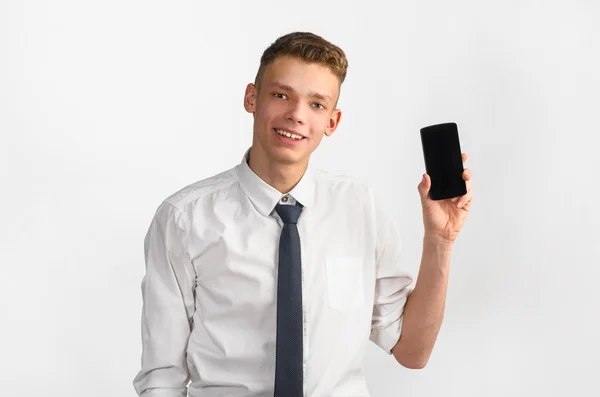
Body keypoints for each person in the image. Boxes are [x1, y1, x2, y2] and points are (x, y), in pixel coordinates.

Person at [132, 31, 473, 397]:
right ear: (252, 97)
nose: (296, 115)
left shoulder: (359, 207)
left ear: (333, 121)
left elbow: (412, 352)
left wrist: (440, 240)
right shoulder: (185, 219)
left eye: (316, 104)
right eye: (281, 95)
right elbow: (162, 378)